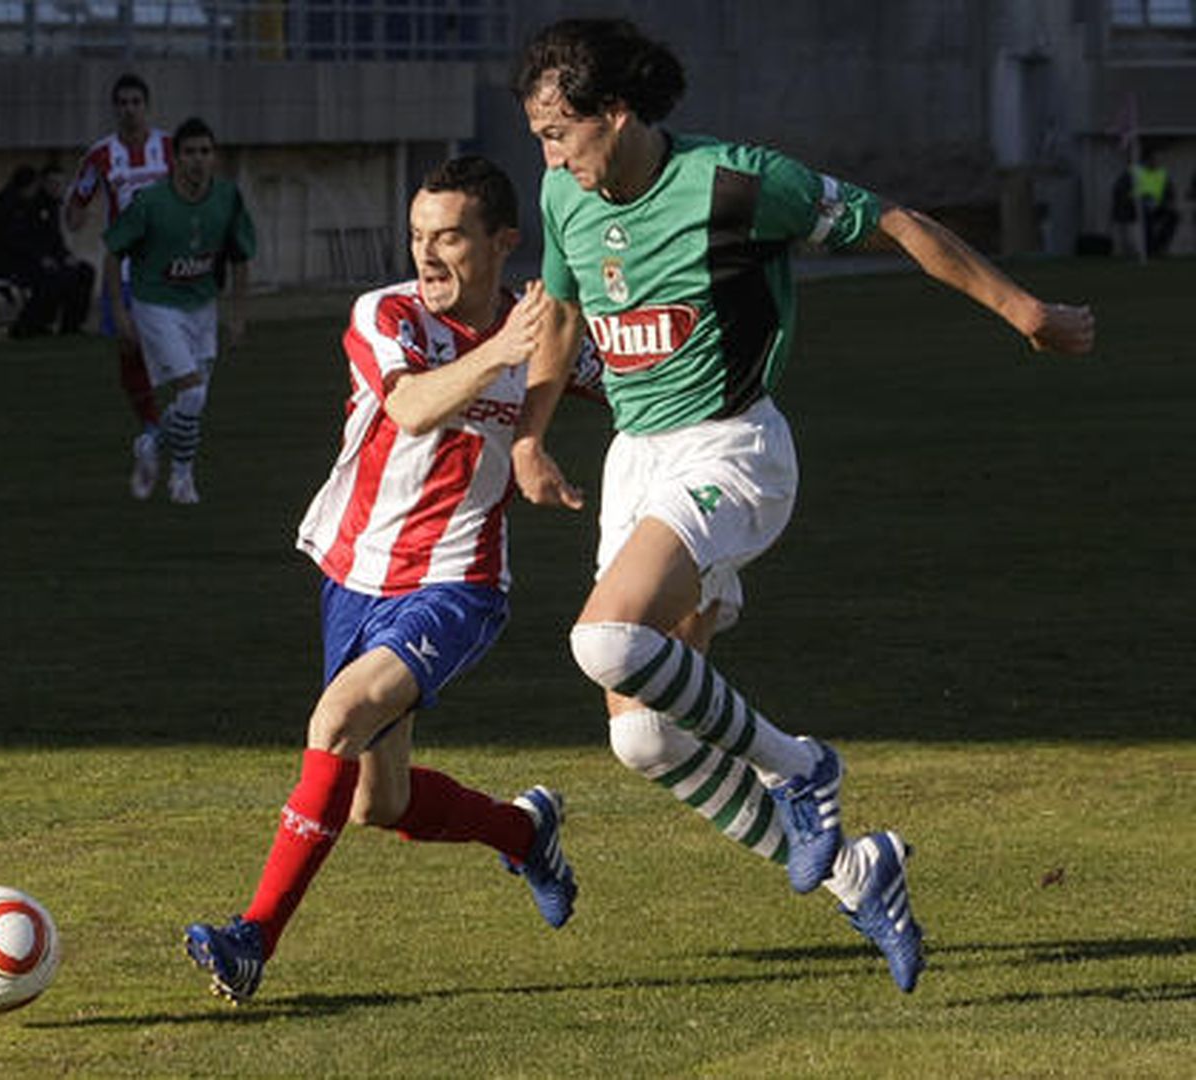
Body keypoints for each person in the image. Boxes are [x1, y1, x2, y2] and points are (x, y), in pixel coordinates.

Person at [509, 18, 1095, 994]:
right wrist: (529, 437)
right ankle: (863, 874)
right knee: (642, 734)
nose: (548, 154)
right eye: (539, 137)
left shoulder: (736, 183)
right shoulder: (565, 194)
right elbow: (563, 318)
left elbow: (896, 221)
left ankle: (801, 767)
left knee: (602, 641)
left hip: (732, 450)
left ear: (614, 113)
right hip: (636, 464)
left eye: (558, 132)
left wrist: (1022, 311)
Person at [181, 155, 601, 1004]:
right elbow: (410, 407)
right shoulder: (389, 313)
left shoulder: (538, 329)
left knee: (334, 720)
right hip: (352, 574)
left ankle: (251, 938)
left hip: (458, 584)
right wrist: (499, 358)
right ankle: (523, 831)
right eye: (417, 236)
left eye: (449, 236)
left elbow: (634, 379)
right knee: (380, 801)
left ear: (502, 243)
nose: (428, 255)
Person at [101, 117, 255, 504]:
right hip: (155, 304)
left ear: (214, 157)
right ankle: (182, 480)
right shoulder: (151, 202)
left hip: (202, 305)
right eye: (189, 152)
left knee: (194, 397)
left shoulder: (227, 198)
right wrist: (119, 311)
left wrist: (237, 316)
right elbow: (112, 250)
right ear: (175, 158)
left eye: (205, 151)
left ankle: (152, 443)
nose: (198, 160)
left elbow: (240, 258)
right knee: (193, 393)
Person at [66, 73, 174, 452]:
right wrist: (73, 216)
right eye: (122, 103)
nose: (129, 109)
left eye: (135, 102)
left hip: (169, 267)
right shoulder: (101, 155)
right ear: (115, 108)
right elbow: (78, 198)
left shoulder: (170, 148)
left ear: (147, 106)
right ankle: (152, 425)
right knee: (129, 346)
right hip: (125, 269)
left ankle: (174, 417)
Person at [0, 165, 69, 339]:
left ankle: (39, 322)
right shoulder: (5, 206)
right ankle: (27, 324)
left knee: (57, 274)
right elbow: (10, 241)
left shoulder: (16, 204)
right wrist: (39, 258)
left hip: (11, 260)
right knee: (48, 277)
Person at [30, 164, 96, 334]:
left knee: (85, 271)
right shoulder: (34, 206)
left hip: (54, 258)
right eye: (52, 183)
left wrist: (66, 256)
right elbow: (28, 239)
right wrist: (42, 257)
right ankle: (41, 322)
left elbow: (56, 240)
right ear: (43, 183)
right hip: (34, 260)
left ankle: (73, 323)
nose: (57, 187)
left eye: (60, 184)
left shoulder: (55, 206)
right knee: (60, 276)